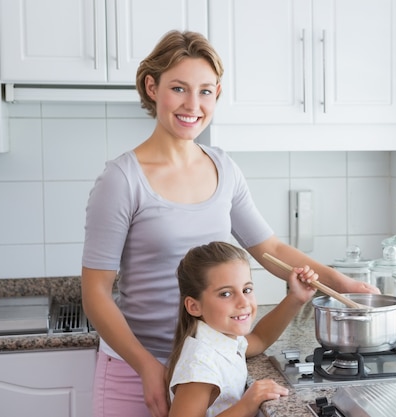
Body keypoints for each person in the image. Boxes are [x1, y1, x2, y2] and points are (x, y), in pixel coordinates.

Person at [81, 30, 379, 417]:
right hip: (134, 371)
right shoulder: (121, 180)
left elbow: (269, 250)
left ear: (217, 94)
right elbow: (96, 294)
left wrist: (340, 283)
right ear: (152, 88)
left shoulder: (224, 168)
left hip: (208, 365)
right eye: (179, 88)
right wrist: (146, 366)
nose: (193, 104)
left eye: (205, 91)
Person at [167, 241, 316, 417]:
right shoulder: (201, 366)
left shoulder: (222, 338)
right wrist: (247, 404)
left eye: (246, 289)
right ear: (193, 306)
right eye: (226, 294)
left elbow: (260, 339)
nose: (243, 302)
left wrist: (296, 297)